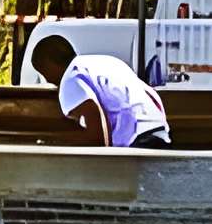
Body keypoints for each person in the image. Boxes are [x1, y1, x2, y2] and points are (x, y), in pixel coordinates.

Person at [32, 31, 168, 149]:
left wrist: (57, 145)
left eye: (43, 72)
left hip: (136, 144)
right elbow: (149, 93)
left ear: (49, 63)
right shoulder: (105, 62)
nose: (47, 80)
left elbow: (96, 129)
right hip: (160, 133)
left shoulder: (71, 77)